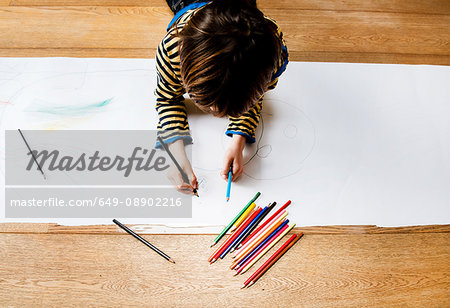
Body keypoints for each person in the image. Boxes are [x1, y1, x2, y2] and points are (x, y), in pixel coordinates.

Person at [156, 0, 288, 193]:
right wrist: (176, 151)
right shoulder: (171, 52)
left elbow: (255, 96)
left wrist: (239, 139)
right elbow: (166, 98)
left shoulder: (272, 56)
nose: (215, 113)